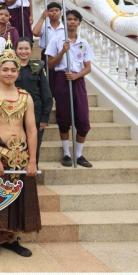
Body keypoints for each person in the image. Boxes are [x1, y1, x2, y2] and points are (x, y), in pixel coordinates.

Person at [0, 42, 40, 258]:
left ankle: (12, 239)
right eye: (5, 69)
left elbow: (31, 130)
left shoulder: (25, 97)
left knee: (18, 198)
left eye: (13, 70)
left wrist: (32, 160)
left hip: (21, 155)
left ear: (18, 72)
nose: (9, 73)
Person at [46, 10, 95, 168]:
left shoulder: (83, 43)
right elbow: (50, 64)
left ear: (79, 22)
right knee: (64, 116)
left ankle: (78, 154)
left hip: (77, 79)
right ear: (64, 22)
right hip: (62, 78)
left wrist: (76, 76)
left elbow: (88, 67)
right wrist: (63, 51)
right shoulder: (56, 39)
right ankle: (67, 153)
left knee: (83, 120)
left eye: (75, 19)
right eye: (68, 19)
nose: (72, 22)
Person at [15, 38, 53, 165]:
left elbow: (46, 94)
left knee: (33, 149)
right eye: (20, 48)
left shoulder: (38, 67)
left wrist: (45, 117)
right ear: (16, 50)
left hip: (35, 115)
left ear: (31, 50)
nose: (23, 51)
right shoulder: (11, 68)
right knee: (16, 149)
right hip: (14, 115)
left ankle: (32, 173)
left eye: (26, 48)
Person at [32, 2, 64, 90]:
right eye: (51, 10)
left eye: (56, 10)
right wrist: (43, 17)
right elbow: (35, 32)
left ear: (60, 13)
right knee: (48, 77)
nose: (54, 12)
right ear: (47, 12)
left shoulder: (64, 27)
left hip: (61, 54)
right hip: (47, 54)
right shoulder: (44, 26)